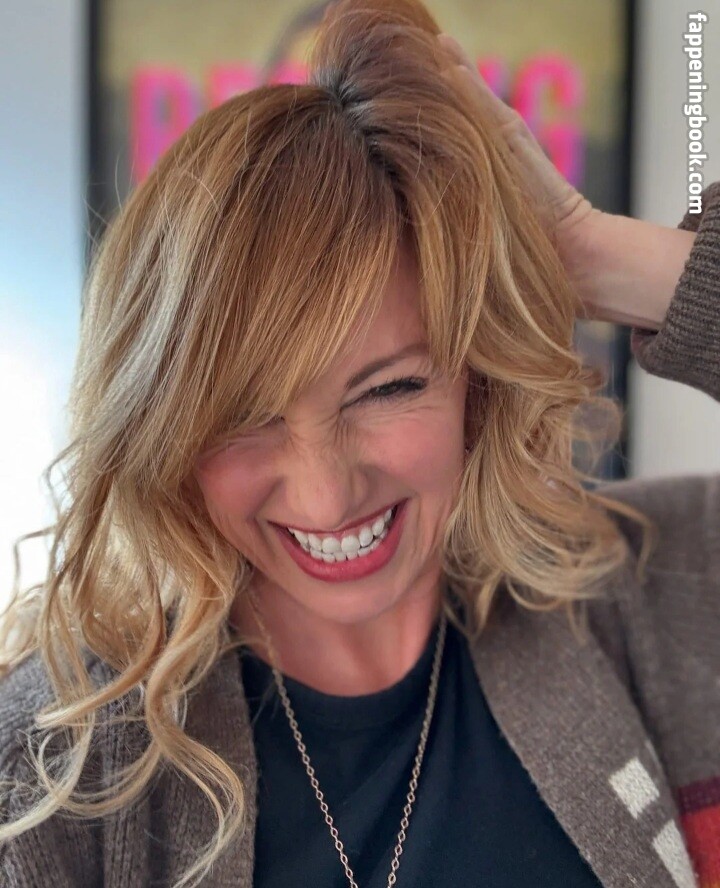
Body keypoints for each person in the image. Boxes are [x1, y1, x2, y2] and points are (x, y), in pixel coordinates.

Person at [0, 1, 718, 886]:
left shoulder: (667, 587)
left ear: (476, 380)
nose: (327, 496)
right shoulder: (52, 780)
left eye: (389, 389)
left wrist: (591, 252)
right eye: (243, 416)